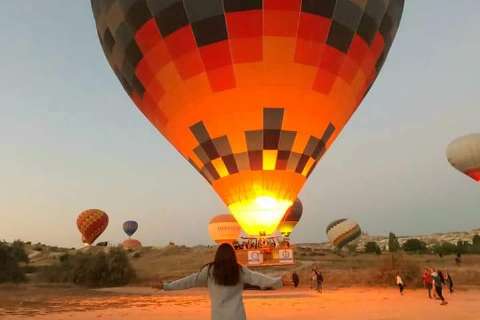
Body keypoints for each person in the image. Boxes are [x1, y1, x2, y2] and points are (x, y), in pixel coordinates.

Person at [161, 243, 287, 320]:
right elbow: (260, 279)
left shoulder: (209, 271)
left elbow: (188, 281)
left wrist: (168, 286)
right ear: (233, 255)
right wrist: (279, 281)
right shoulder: (239, 270)